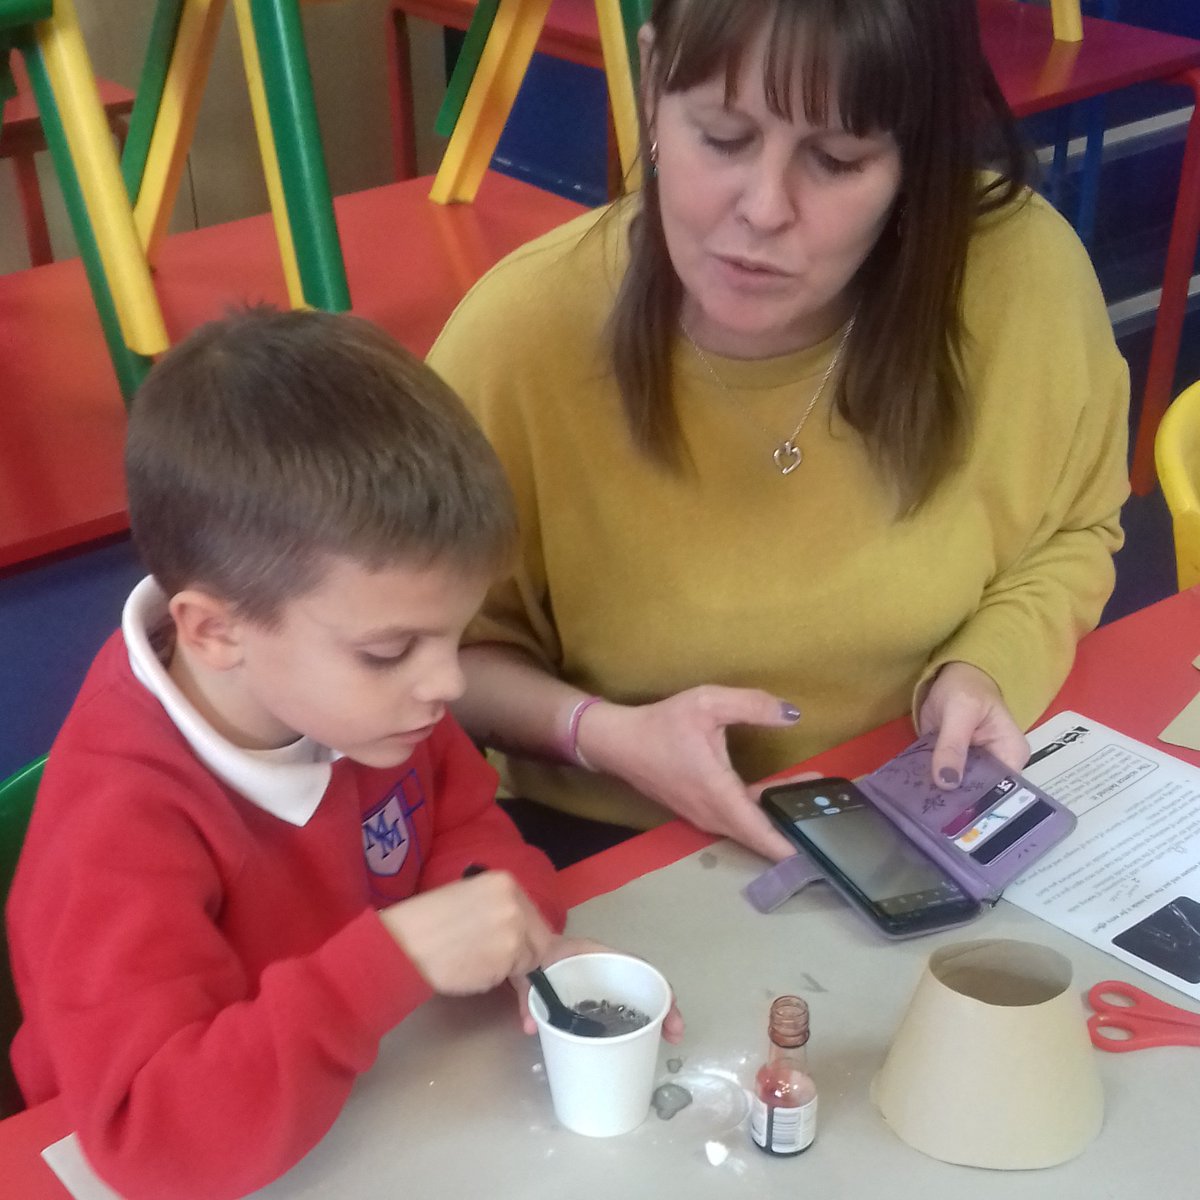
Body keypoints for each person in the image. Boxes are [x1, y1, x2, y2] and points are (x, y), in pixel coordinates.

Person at [428, 0, 1130, 867]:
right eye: (722, 137)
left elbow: (1074, 529)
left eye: (837, 160)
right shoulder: (518, 336)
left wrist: (986, 671)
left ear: (915, 159)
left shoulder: (1022, 277)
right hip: (617, 847)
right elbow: (439, 657)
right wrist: (604, 736)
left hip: (918, 811)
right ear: (652, 89)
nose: (764, 209)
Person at [5, 309, 680, 1200]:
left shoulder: (365, 698)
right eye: (392, 649)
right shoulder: (118, 829)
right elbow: (154, 1140)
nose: (445, 683)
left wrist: (512, 930)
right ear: (213, 632)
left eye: (455, 633)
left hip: (373, 1096)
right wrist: (390, 962)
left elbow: (465, 824)